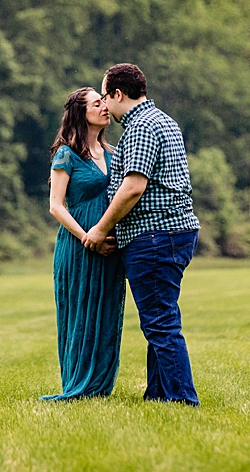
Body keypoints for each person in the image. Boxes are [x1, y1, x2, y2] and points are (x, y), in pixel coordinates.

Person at [83, 63, 201, 406]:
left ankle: (181, 398)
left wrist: (101, 228)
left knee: (161, 322)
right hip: (171, 233)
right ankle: (158, 394)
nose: (105, 105)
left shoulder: (141, 128)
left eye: (106, 96)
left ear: (119, 94)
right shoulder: (164, 120)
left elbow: (133, 187)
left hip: (155, 237)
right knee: (159, 318)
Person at [41, 87, 126, 400]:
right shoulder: (66, 154)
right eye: (96, 103)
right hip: (78, 247)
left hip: (110, 247)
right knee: (79, 313)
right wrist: (87, 237)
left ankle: (100, 385)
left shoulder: (115, 153)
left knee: (106, 311)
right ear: (80, 113)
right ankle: (78, 384)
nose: (104, 107)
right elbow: (56, 205)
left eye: (104, 101)